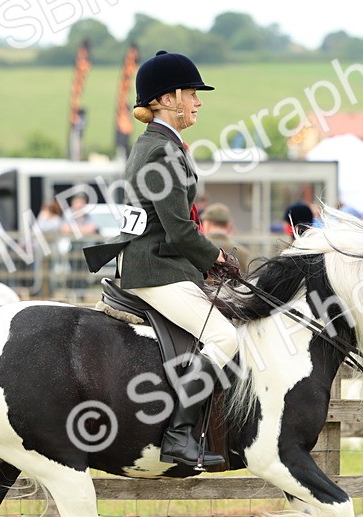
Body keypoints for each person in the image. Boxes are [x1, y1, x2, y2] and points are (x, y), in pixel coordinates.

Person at [83, 49, 240, 470]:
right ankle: (178, 434)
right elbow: (179, 230)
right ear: (168, 99)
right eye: (192, 94)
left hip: (158, 263)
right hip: (157, 269)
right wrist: (218, 257)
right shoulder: (162, 152)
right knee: (224, 338)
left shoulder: (157, 144)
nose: (198, 102)